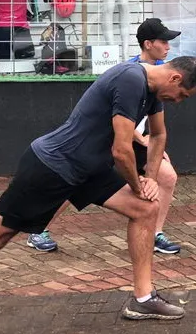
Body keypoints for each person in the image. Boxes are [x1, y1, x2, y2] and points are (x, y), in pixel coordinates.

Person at [0, 57, 196, 334]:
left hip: (87, 170)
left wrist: (151, 179)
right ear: (174, 77)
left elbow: (159, 136)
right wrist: (139, 184)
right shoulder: (131, 80)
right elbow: (121, 150)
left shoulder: (155, 90)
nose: (178, 101)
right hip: (52, 166)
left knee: (145, 209)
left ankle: (143, 299)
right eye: (181, 95)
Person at [26, 17, 185, 255]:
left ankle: (154, 233)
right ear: (148, 44)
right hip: (114, 142)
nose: (168, 46)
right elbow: (117, 117)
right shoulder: (129, 72)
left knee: (167, 176)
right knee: (76, 181)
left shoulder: (163, 75)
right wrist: (142, 139)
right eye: (164, 41)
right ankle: (39, 229)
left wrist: (155, 149)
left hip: (136, 142)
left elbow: (158, 128)